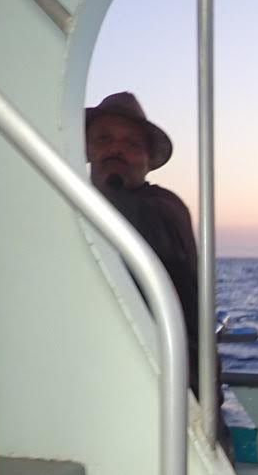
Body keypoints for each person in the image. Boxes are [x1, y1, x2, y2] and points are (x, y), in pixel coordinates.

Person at [85, 92, 204, 396]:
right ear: (86, 148)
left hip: (171, 387)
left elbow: (126, 214)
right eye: (104, 139)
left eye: (131, 144)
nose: (116, 150)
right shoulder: (75, 205)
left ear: (149, 161)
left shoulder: (165, 209)